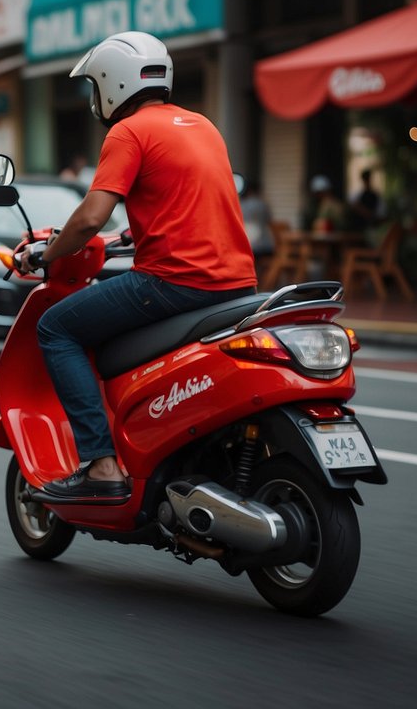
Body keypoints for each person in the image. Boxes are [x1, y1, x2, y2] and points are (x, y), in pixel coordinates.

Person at [16, 32, 257, 501]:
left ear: (111, 83)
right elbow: (186, 202)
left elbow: (90, 217)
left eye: (94, 87)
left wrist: (46, 255)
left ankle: (100, 464)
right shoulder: (203, 125)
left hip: (173, 282)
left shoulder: (127, 132)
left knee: (56, 329)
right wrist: (129, 236)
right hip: (237, 285)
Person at [240, 178, 275, 259]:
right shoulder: (262, 205)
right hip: (264, 246)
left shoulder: (241, 204)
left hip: (246, 244)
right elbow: (269, 221)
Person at [348, 168, 384, 233]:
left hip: (370, 228)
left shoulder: (375, 195)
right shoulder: (357, 194)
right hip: (357, 228)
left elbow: (378, 215)